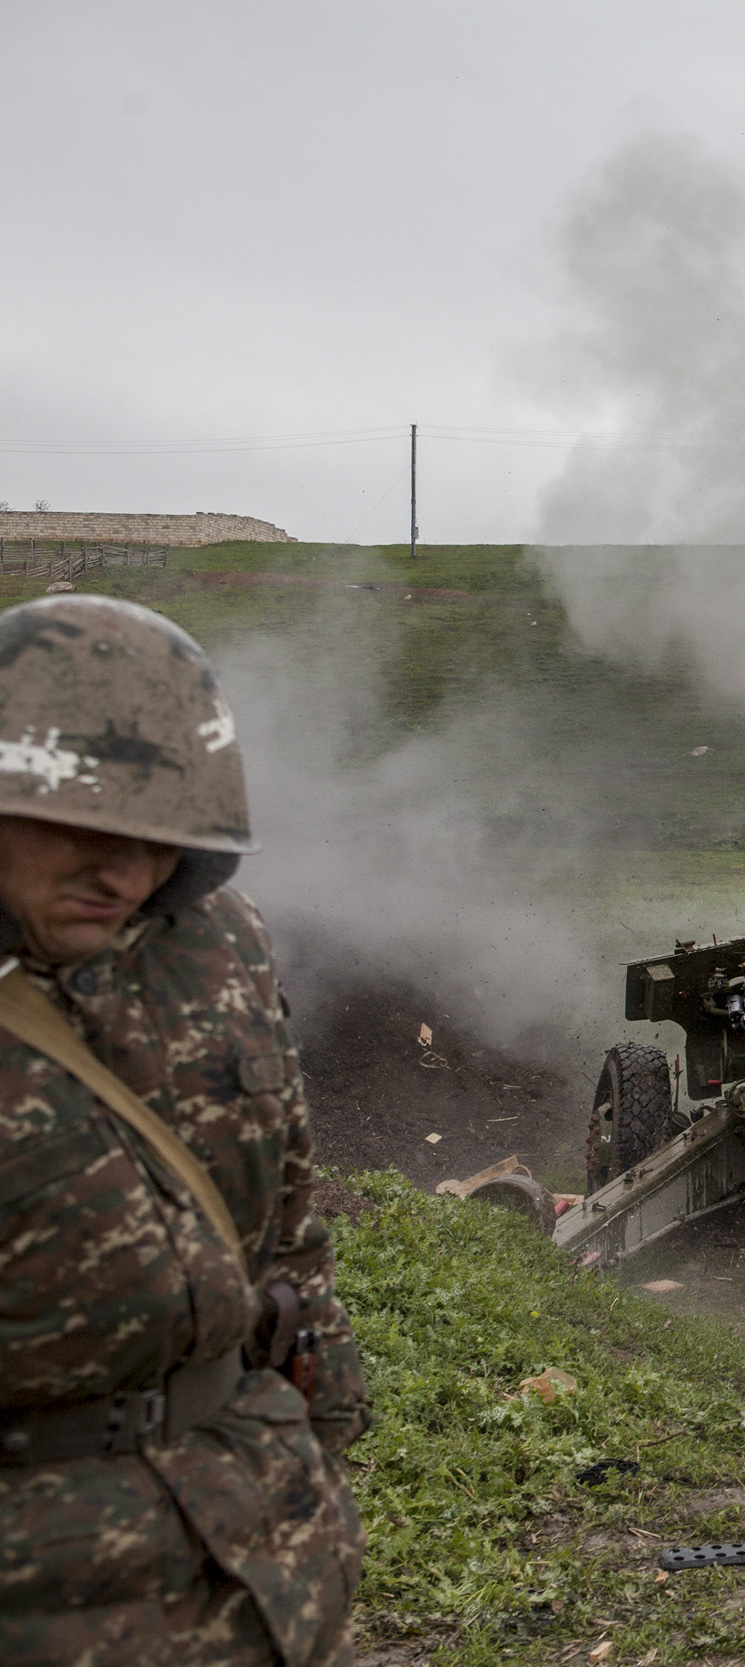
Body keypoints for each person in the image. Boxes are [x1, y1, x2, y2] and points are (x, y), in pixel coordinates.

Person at [0, 596, 368, 1664]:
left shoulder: (216, 944)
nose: (124, 872)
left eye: (159, 836)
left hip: (254, 1557)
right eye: (84, 825)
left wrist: (324, 1435)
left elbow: (287, 1211)